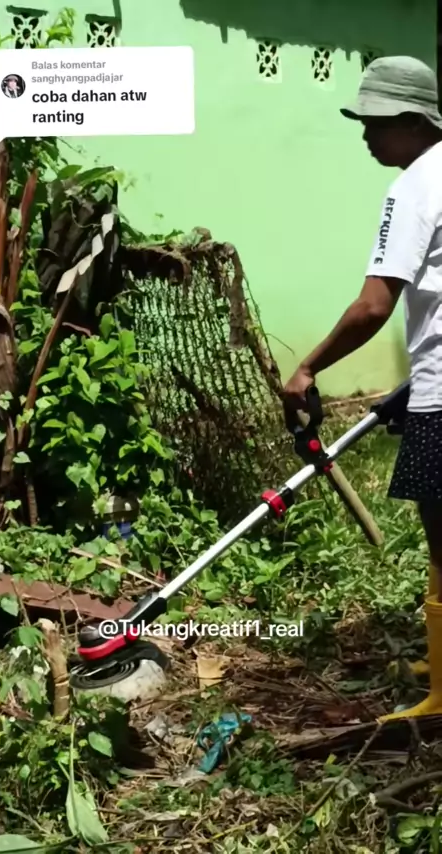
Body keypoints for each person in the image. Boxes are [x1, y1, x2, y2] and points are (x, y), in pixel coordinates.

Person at [283, 55, 442, 720]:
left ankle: (441, 695)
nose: (365, 134)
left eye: (375, 122)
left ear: (413, 121)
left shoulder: (414, 187)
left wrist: (308, 367)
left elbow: (374, 306)